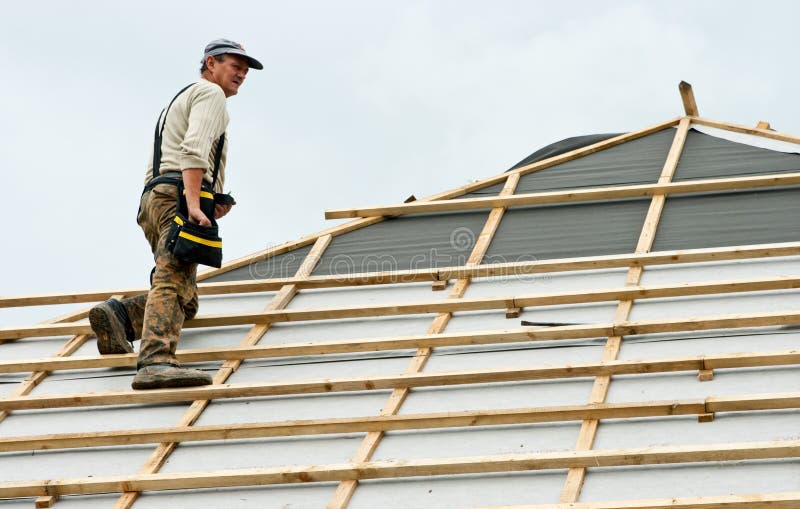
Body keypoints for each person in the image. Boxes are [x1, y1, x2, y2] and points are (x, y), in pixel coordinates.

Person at [88, 39, 262, 390]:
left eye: (246, 69)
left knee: (186, 296)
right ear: (211, 63)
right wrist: (196, 205)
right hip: (175, 196)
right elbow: (193, 149)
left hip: (155, 198)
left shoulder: (185, 97)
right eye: (234, 65)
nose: (242, 73)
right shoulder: (210, 95)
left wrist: (211, 200)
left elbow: (178, 154)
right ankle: (156, 360)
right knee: (172, 278)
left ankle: (120, 317)